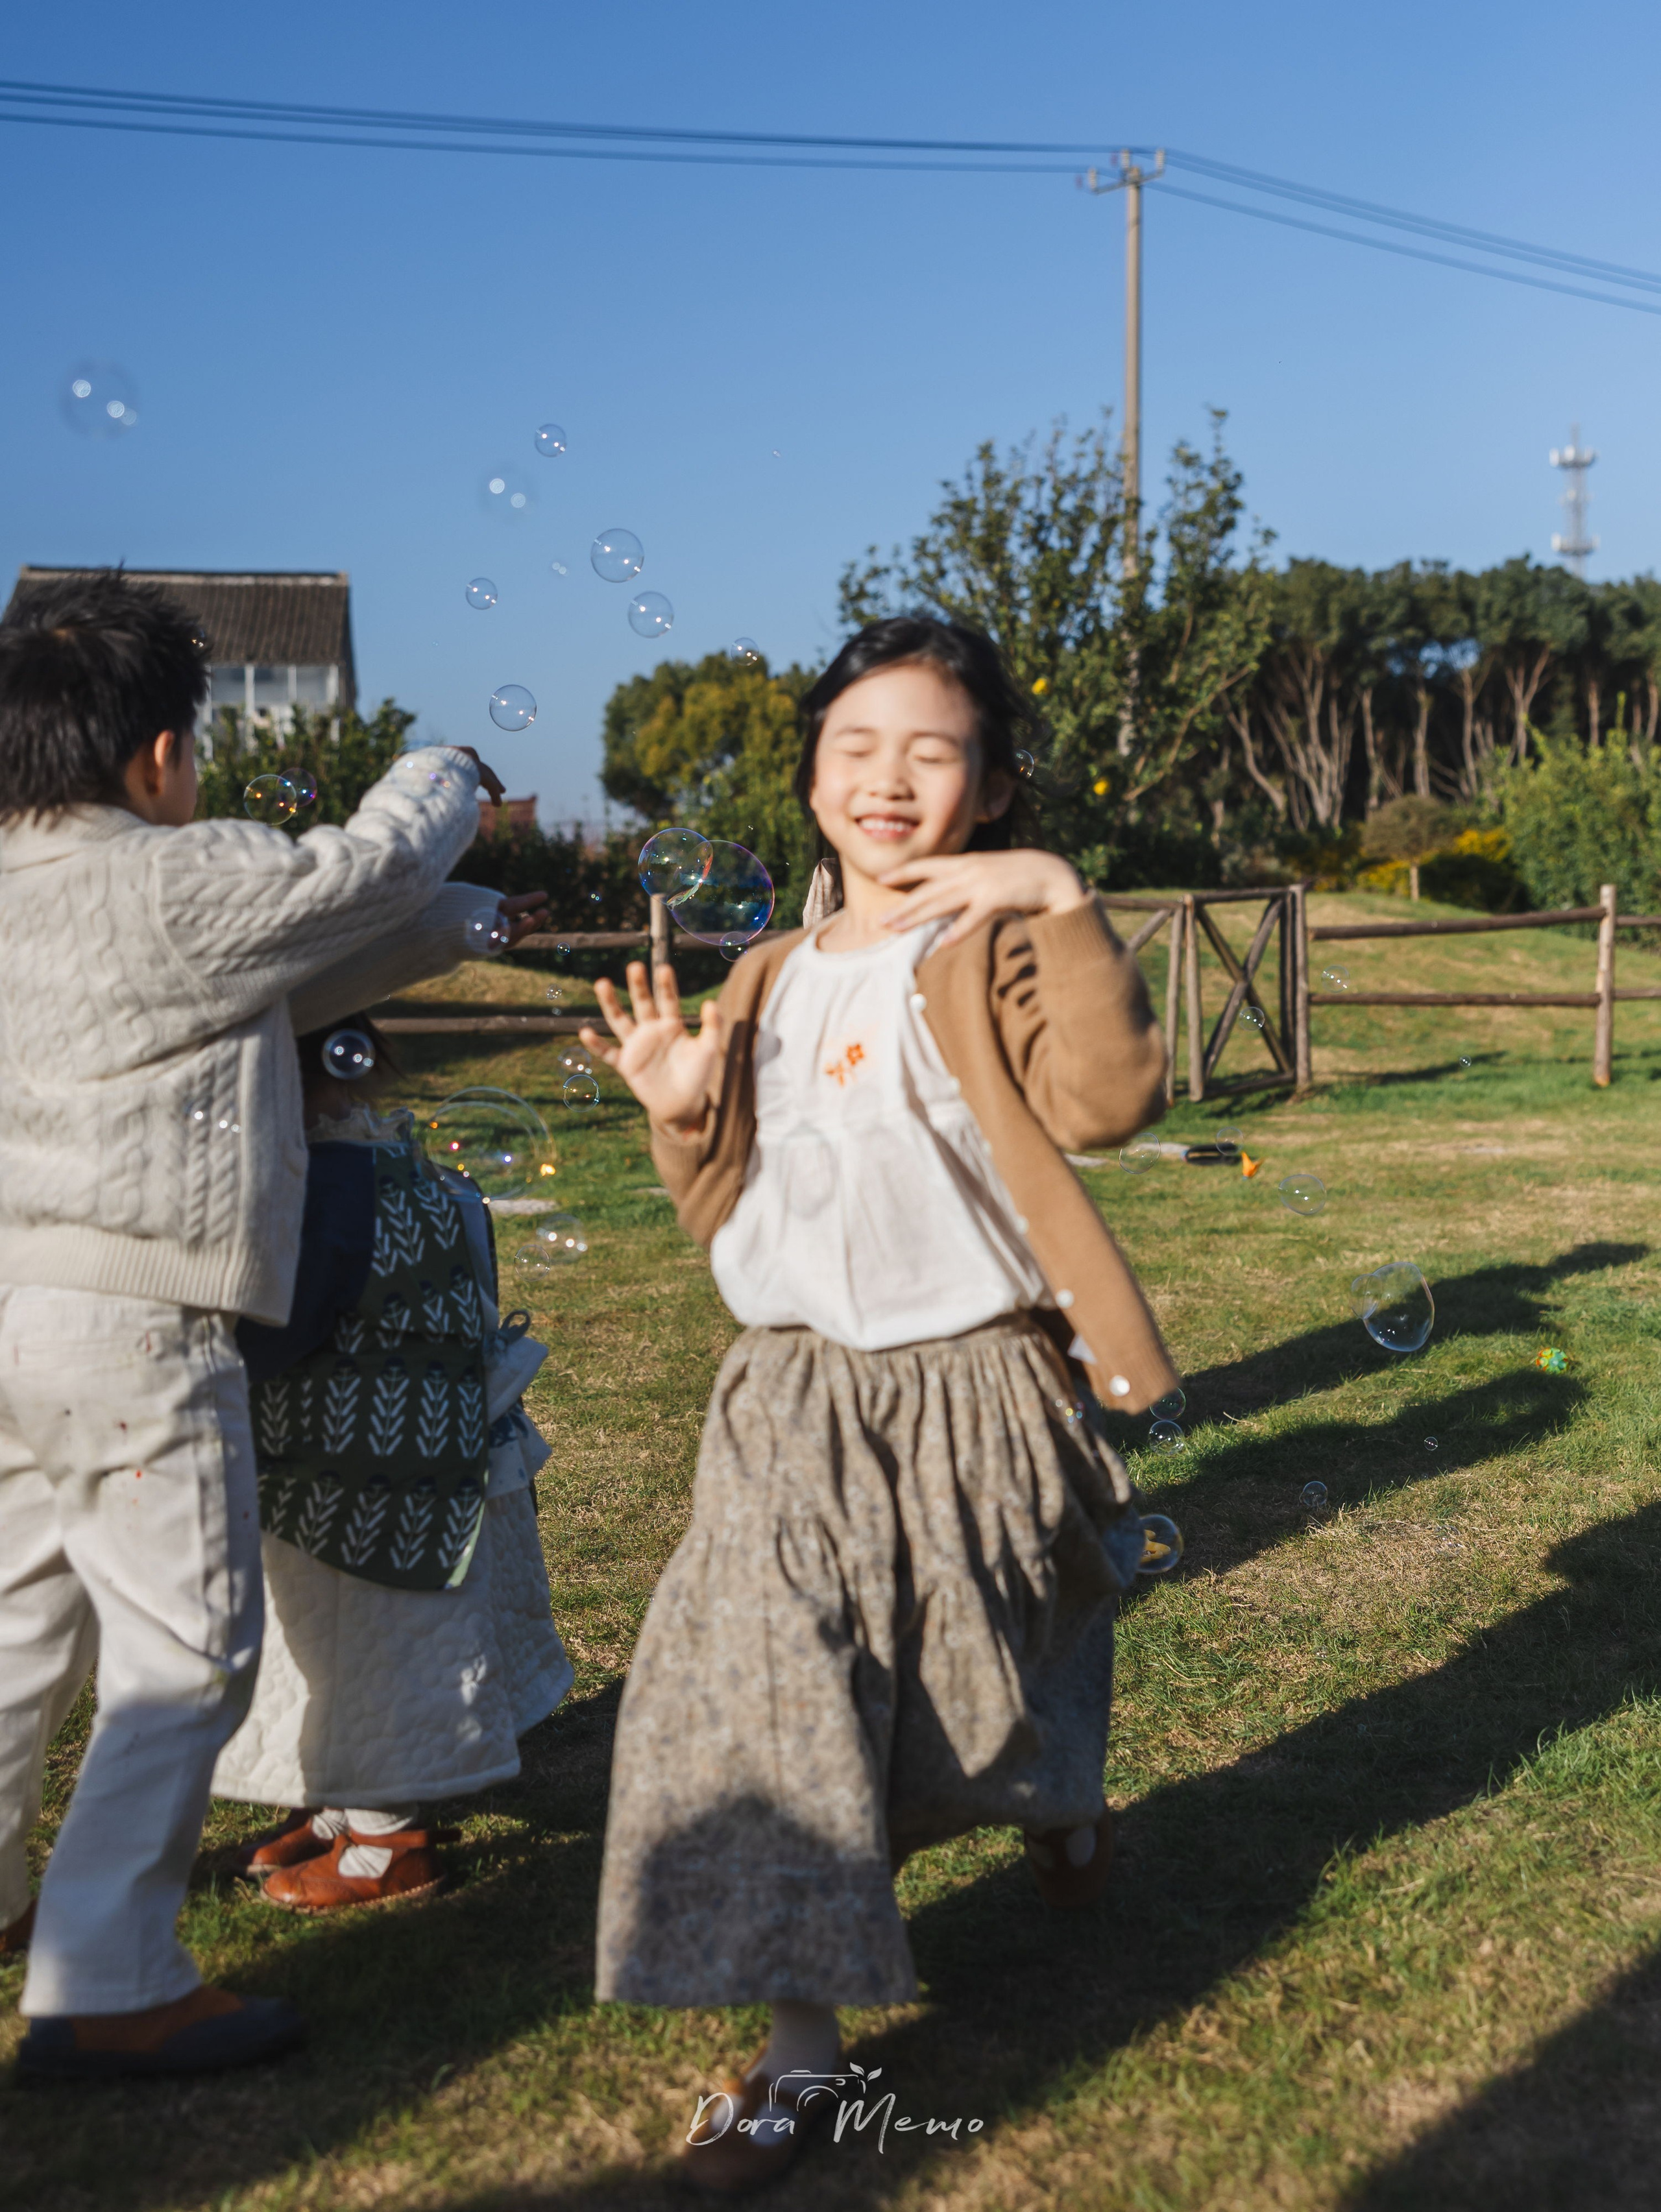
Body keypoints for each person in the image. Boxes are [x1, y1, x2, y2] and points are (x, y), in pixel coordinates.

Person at [581, 615, 1180, 2192]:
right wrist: (676, 1111)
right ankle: (801, 2065)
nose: (889, 778)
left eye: (932, 750)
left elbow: (1110, 1106)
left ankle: (1053, 1802)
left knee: (974, 1682)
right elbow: (726, 1204)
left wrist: (1055, 896)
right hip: (784, 1393)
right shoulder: (770, 970)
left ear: (988, 787)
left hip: (976, 1381)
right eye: (855, 746)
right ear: (811, 778)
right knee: (765, 1680)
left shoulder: (993, 943)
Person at [0, 570, 512, 2082]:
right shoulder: (173, 875)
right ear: (157, 755)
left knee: (18, 1628)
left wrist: (471, 919)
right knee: (177, 1651)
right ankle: (110, 1977)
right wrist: (445, 780)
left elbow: (258, 976)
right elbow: (357, 872)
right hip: (136, 1332)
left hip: (9, 1320)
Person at [210, 1015, 572, 1906]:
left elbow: (277, 1329)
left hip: (352, 1469)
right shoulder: (394, 1160)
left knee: (365, 1642)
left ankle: (390, 1839)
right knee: (357, 1640)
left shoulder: (321, 1184)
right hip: (416, 1453)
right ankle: (349, 1803)